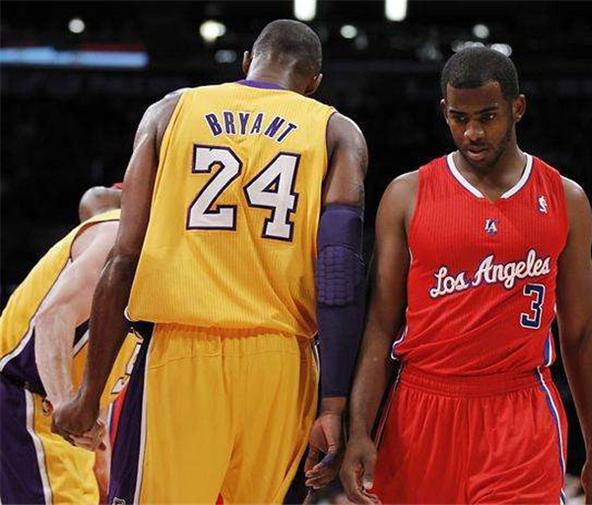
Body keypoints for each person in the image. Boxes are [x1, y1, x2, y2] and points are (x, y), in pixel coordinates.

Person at [53, 19, 368, 504]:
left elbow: (124, 257)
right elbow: (339, 278)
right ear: (313, 83)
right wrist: (334, 405)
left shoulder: (170, 111)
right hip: (280, 361)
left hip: (181, 354)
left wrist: (89, 393)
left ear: (246, 62)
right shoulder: (336, 130)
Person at [340, 46, 592, 505]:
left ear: (517, 108)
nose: (472, 132)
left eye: (487, 117)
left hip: (519, 412)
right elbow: (379, 326)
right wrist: (359, 431)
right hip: (420, 408)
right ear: (444, 112)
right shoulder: (406, 195)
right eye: (459, 118)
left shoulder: (566, 198)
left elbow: (584, 331)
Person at [0, 185, 139, 504]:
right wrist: (63, 404)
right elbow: (52, 317)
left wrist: (100, 450)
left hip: (66, 417)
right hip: (29, 400)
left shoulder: (159, 257)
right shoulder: (117, 233)